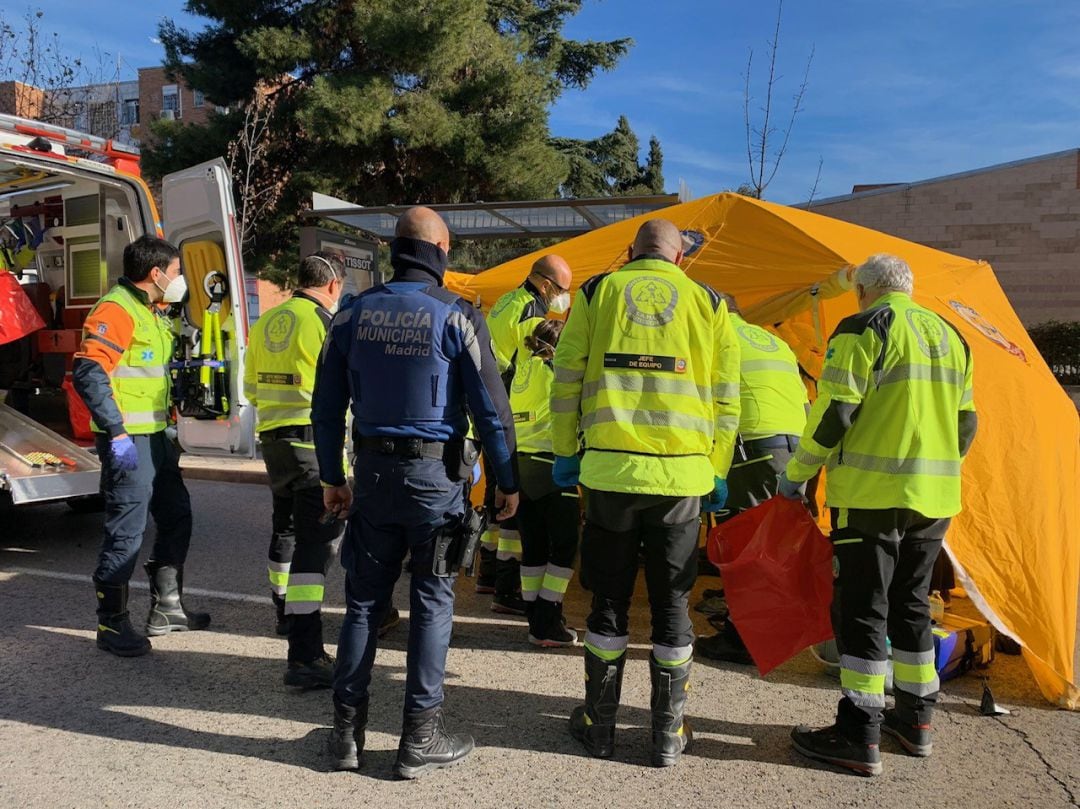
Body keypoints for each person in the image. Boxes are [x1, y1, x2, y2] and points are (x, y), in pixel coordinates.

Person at [313, 206, 520, 779]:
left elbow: (325, 409)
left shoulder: (350, 314)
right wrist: (508, 483)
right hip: (437, 484)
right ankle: (417, 741)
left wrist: (333, 477)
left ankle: (346, 736)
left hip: (373, 478)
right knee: (432, 603)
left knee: (361, 603)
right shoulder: (459, 316)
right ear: (442, 250)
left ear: (395, 248)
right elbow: (493, 414)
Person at [551, 218, 741, 767]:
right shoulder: (709, 302)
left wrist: (567, 451)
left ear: (630, 253)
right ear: (680, 259)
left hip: (610, 476)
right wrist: (718, 466)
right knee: (672, 602)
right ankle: (667, 733)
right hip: (683, 479)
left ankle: (600, 725)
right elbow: (728, 396)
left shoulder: (596, 290)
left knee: (608, 600)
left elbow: (567, 375)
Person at [779, 253, 977, 777]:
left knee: (863, 608)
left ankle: (858, 732)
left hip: (871, 498)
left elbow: (836, 410)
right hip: (934, 499)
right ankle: (915, 722)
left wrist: (798, 472)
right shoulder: (952, 337)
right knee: (912, 605)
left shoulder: (865, 326)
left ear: (865, 290)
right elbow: (966, 423)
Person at [73, 235, 209, 657]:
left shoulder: (151, 310)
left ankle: (167, 609)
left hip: (156, 438)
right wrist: (114, 432)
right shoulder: (117, 309)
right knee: (126, 534)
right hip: (128, 439)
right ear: (156, 274)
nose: (179, 278)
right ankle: (111, 625)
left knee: (177, 516)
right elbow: (88, 371)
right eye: (176, 271)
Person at [243, 251, 348, 688]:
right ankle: (304, 656)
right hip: (312, 444)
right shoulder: (324, 323)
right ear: (332, 285)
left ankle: (284, 613)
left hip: (274, 441)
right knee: (315, 549)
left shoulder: (267, 321)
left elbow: (249, 387)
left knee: (285, 530)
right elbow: (344, 388)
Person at [696, 294, 809, 665]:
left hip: (752, 450)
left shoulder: (720, 340)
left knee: (745, 546)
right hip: (795, 450)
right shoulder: (774, 341)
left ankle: (743, 640)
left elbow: (705, 400)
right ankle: (771, 629)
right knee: (774, 545)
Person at [479, 253, 573, 614]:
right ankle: (505, 587)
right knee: (511, 507)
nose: (563, 299)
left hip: (493, 408)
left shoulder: (507, 300)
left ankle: (489, 575)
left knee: (497, 501)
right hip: (507, 414)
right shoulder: (530, 315)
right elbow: (532, 367)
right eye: (563, 290)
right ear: (546, 285)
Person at [509, 319, 580, 647]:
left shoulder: (522, 371)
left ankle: (535, 617)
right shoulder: (554, 370)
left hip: (522, 465)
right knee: (564, 546)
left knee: (533, 546)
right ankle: (548, 620)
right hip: (553, 465)